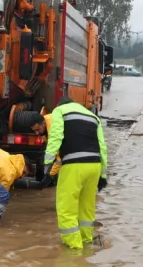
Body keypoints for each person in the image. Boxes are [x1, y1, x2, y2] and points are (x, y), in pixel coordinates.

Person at [42, 96, 108, 250]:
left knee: (66, 207)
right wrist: (103, 175)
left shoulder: (59, 111)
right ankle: (86, 240)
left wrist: (47, 162)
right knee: (87, 207)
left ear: (60, 105)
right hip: (94, 166)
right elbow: (102, 147)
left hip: (73, 166)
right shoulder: (92, 116)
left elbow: (56, 136)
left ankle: (74, 250)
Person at [29, 112, 61, 184]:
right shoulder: (44, 125)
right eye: (34, 131)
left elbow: (59, 156)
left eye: (38, 129)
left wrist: (50, 174)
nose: (37, 133)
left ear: (43, 123)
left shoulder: (54, 127)